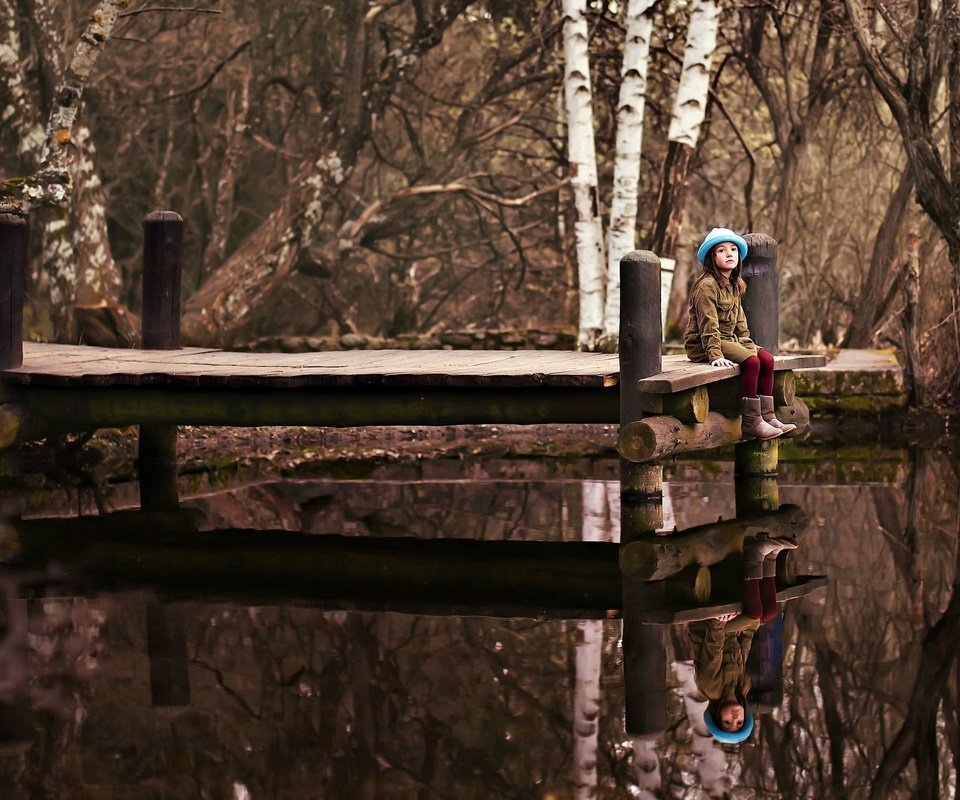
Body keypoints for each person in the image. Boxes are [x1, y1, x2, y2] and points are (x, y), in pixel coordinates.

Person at [683, 227, 796, 439]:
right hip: (704, 343)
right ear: (711, 257)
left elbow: (740, 322)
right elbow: (708, 324)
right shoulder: (706, 286)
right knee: (752, 362)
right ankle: (752, 422)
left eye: (733, 249)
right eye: (721, 250)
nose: (729, 254)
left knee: (767, 360)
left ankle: (768, 416)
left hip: (730, 340)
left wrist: (748, 344)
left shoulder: (735, 284)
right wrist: (714, 355)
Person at [687, 534, 798, 744]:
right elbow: (744, 645)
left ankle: (756, 554)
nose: (734, 719)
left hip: (709, 627)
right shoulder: (740, 686)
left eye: (727, 722)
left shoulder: (711, 688)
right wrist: (751, 626)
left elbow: (713, 647)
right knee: (767, 613)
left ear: (717, 714)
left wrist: (719, 621)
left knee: (756, 613)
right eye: (738, 723)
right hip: (729, 630)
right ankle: (770, 557)